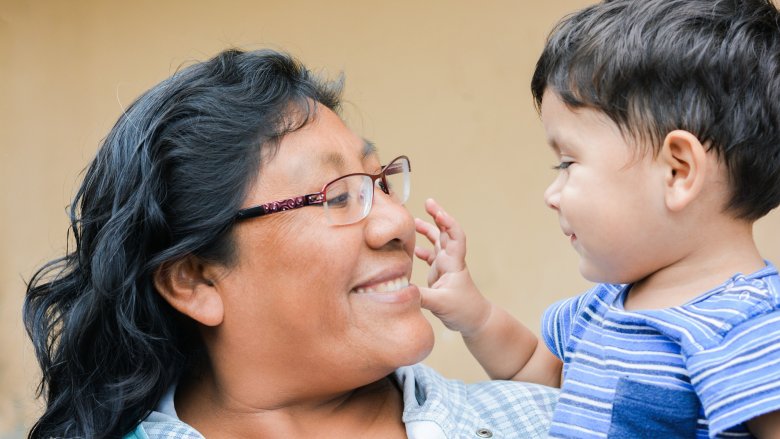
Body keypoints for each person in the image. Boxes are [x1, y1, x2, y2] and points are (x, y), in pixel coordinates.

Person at [23, 48, 558, 439]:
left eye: (381, 182)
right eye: (335, 198)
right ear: (195, 280)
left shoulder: (551, 423)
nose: (397, 222)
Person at [415, 0, 780, 437]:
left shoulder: (750, 328)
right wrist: (474, 315)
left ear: (677, 171)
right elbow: (538, 373)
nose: (552, 195)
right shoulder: (600, 308)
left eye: (567, 162)